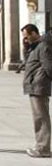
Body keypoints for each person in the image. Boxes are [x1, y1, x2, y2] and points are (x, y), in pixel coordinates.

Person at [20, 24, 52, 158]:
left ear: (34, 33)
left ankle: (43, 147)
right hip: (34, 85)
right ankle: (41, 145)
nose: (25, 39)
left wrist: (42, 79)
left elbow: (48, 66)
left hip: (39, 85)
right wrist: (26, 48)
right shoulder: (34, 47)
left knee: (41, 117)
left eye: (27, 37)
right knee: (38, 117)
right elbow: (29, 63)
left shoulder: (43, 46)